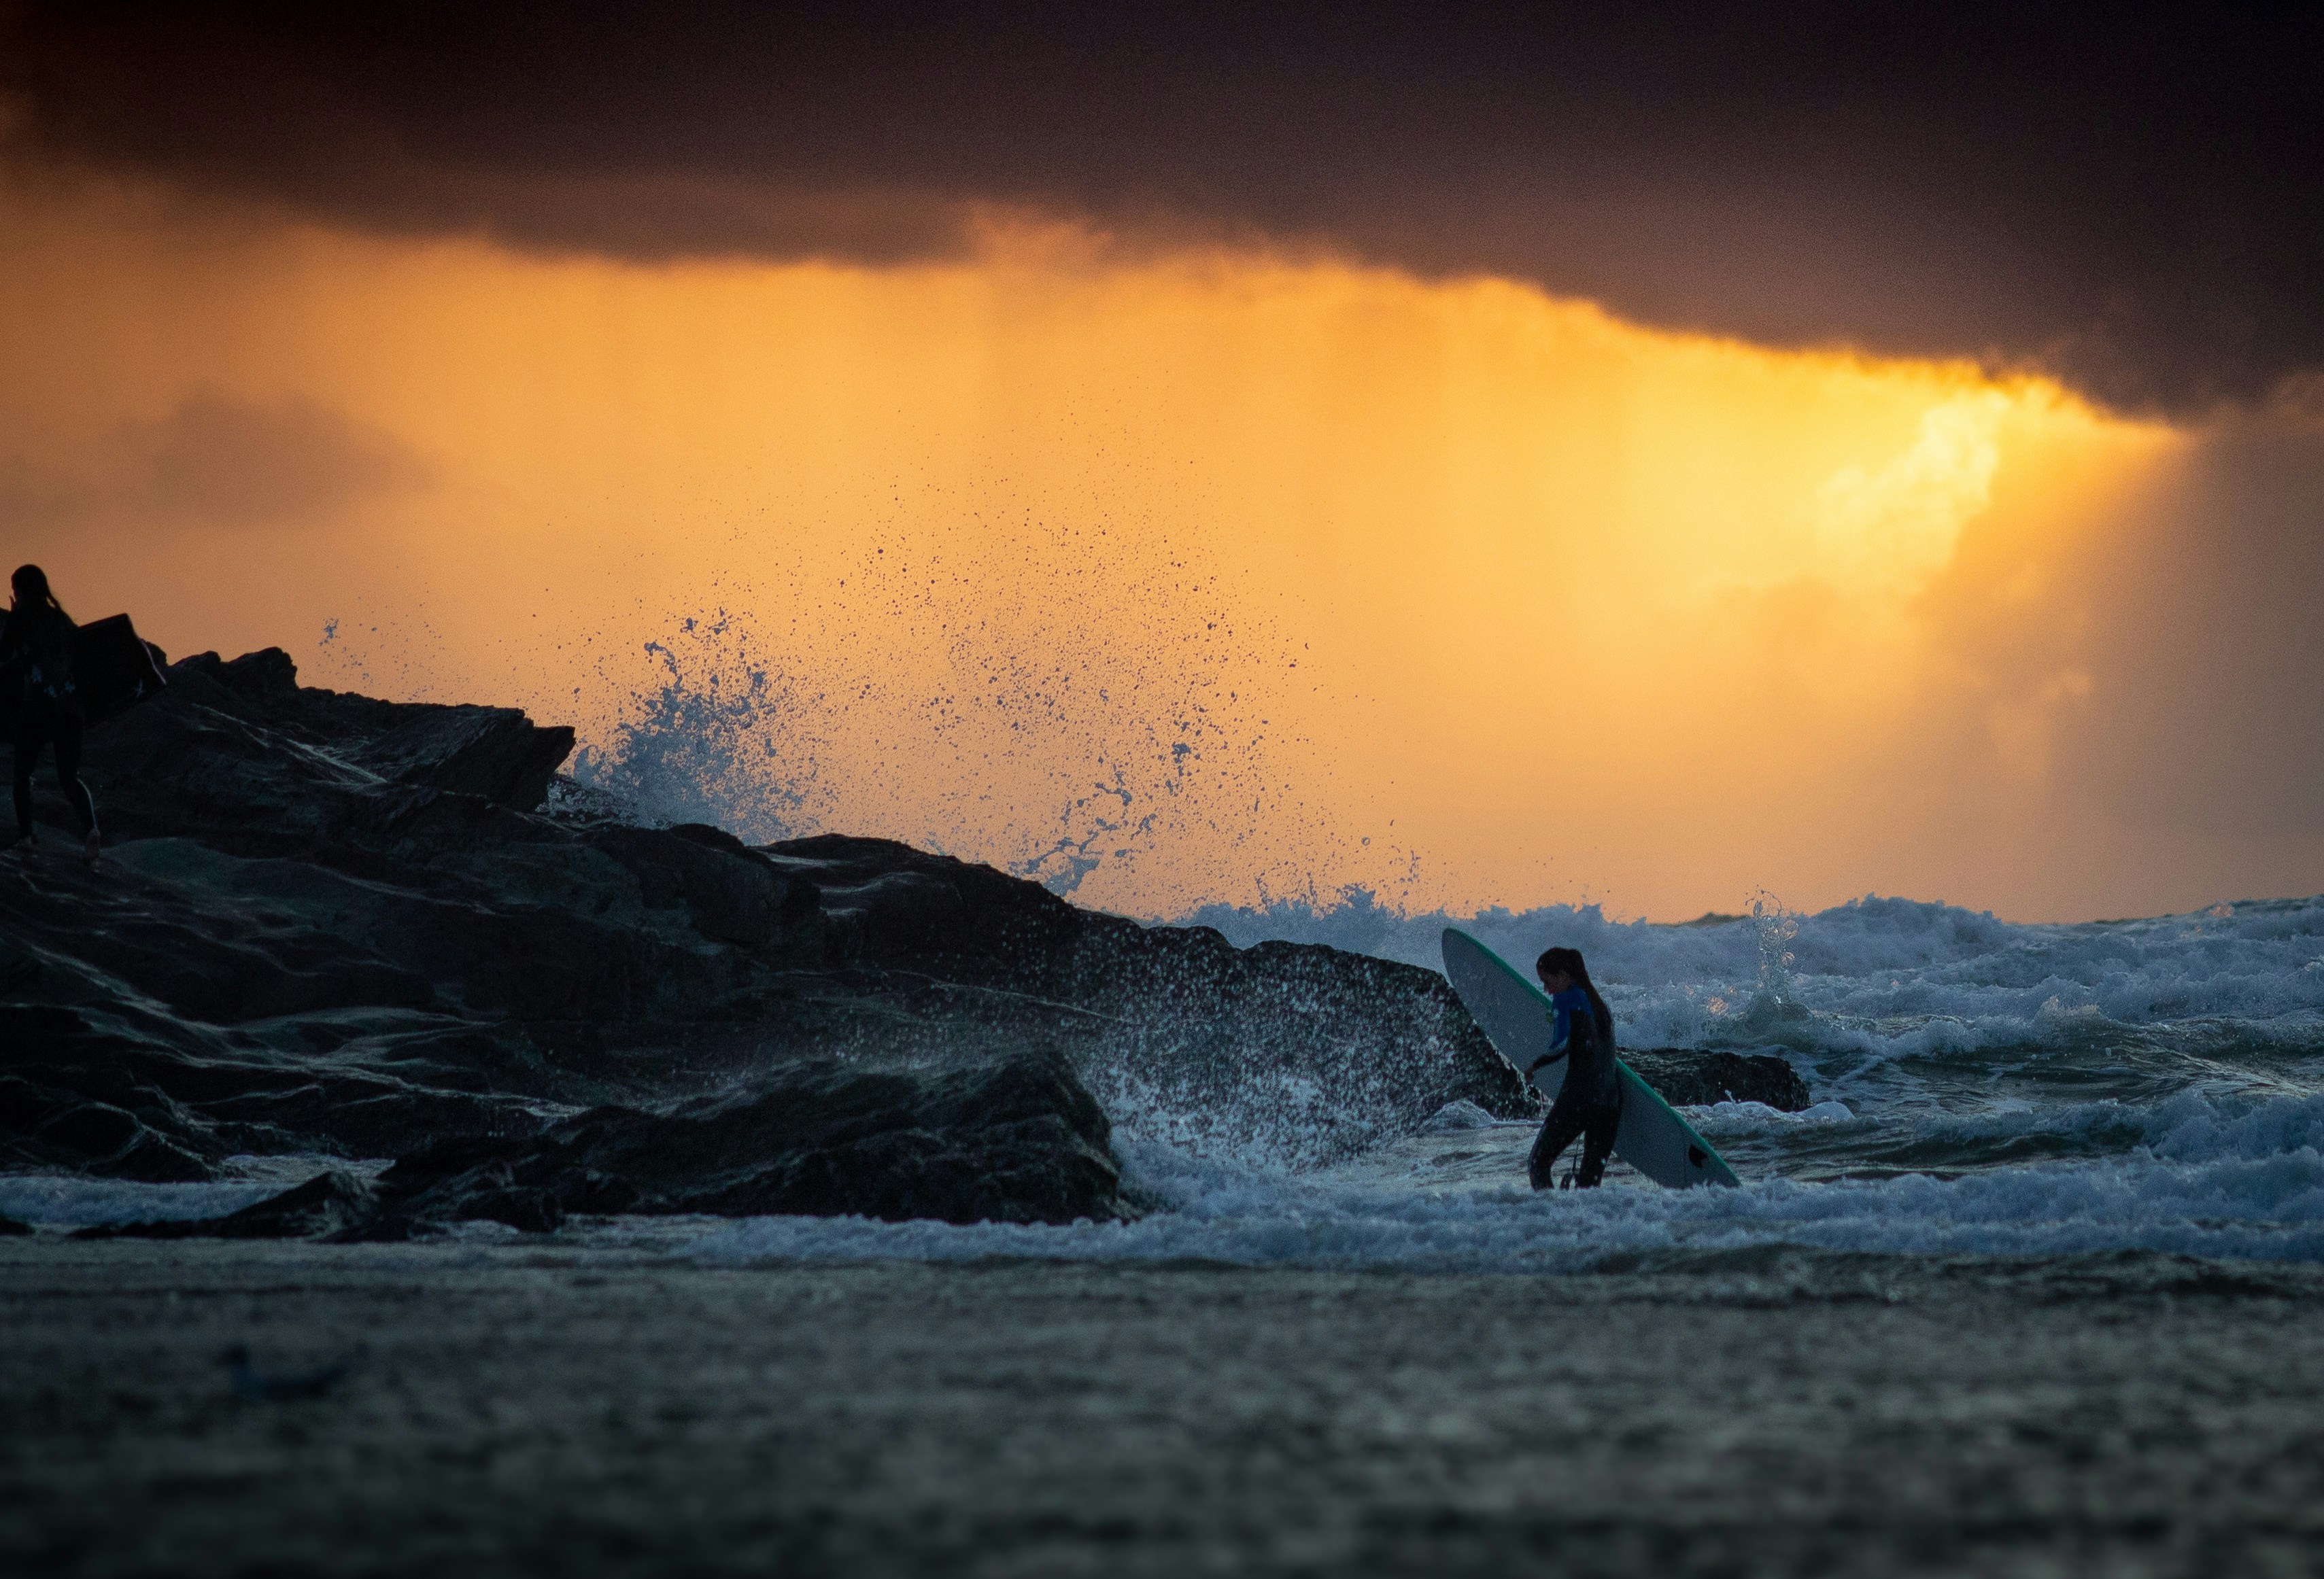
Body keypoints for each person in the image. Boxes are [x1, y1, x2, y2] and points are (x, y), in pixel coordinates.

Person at [0, 564, 101, 864]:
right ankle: (91, 830)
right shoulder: (62, 620)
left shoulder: (22, 617)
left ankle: (26, 838)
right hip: (70, 706)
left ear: (20, 590)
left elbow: (4, 654)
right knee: (69, 775)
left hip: (39, 705)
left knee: (23, 773)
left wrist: (14, 618)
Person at [1526, 945, 1622, 1189]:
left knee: (1538, 1163)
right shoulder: (1600, 1004)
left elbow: (1561, 1046)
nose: (1547, 990)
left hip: (1579, 1100)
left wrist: (1534, 1065)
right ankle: (1587, 1226)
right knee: (1590, 1185)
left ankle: (1549, 1221)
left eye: (1547, 982)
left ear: (1564, 975)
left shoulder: (1565, 998)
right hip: (1610, 1105)